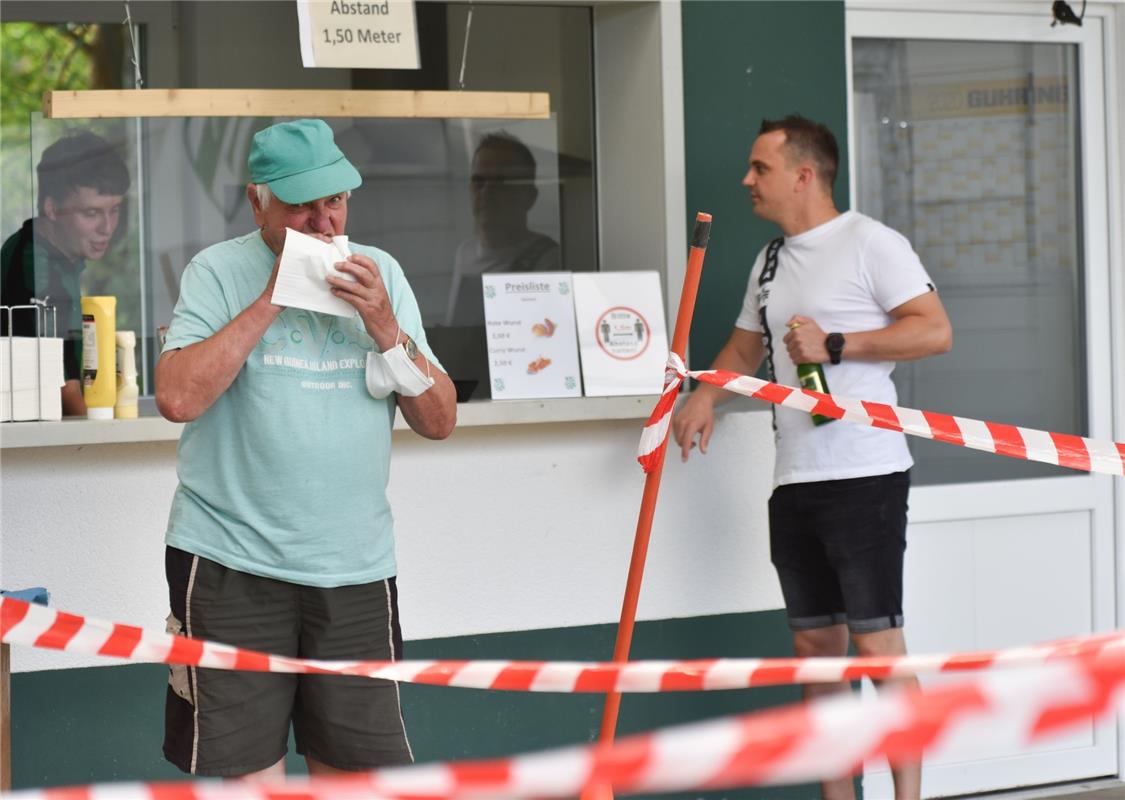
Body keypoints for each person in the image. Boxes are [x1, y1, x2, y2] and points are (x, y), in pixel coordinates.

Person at [155, 118, 456, 778]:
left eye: (337, 201)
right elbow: (177, 398)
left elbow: (438, 419)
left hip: (353, 568)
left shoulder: (384, 275)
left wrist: (383, 325)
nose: (324, 223)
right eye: (302, 205)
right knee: (244, 782)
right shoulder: (217, 271)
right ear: (257, 199)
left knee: (354, 781)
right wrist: (272, 298)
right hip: (230, 560)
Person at [672, 115, 952, 800]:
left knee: (878, 651)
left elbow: (933, 331)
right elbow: (744, 347)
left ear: (804, 173)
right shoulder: (768, 260)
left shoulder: (870, 243)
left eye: (758, 168)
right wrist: (704, 395)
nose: (745, 180)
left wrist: (836, 346)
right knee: (816, 657)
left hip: (865, 474)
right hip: (792, 478)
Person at [1, 131, 130, 416]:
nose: (107, 227)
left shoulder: (49, 254)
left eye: (115, 210)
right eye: (92, 213)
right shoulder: (37, 267)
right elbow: (61, 387)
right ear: (52, 208)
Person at [444, 131, 560, 327]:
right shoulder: (465, 253)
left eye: (500, 181)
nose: (487, 191)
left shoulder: (549, 260)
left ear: (529, 196)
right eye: (479, 181)